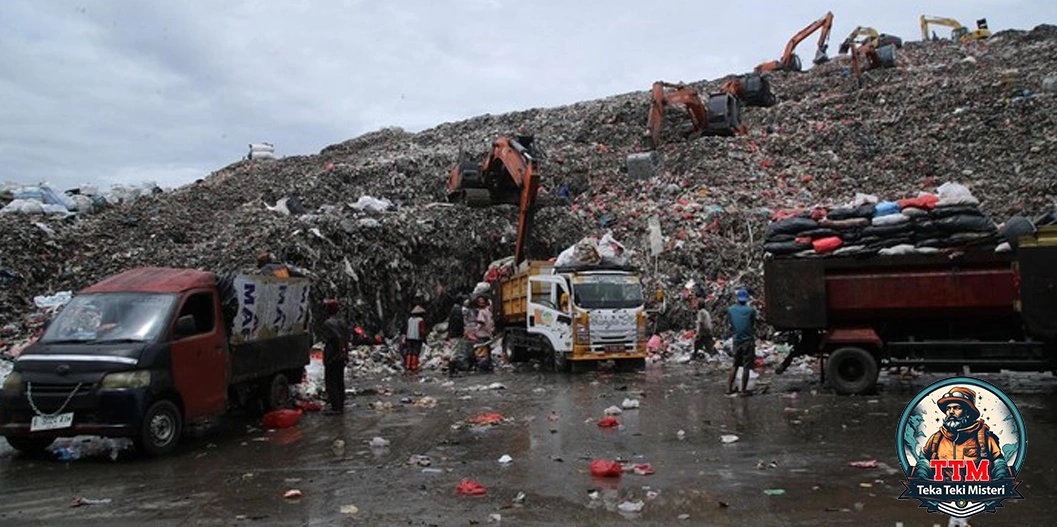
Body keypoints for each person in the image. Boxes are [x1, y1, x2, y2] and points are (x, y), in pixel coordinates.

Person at [914, 386, 1011, 481]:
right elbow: (924, 459)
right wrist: (923, 474)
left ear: (967, 413)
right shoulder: (937, 438)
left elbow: (998, 461)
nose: (951, 412)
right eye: (948, 408)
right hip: (943, 491)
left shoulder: (984, 438)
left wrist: (1000, 477)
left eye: (956, 408)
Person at [726, 289, 757, 396]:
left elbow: (730, 324)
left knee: (735, 364)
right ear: (747, 299)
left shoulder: (730, 310)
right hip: (747, 340)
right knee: (746, 366)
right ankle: (743, 390)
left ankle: (729, 389)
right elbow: (752, 324)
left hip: (737, 340)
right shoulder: (751, 310)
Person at [321, 299, 350, 414]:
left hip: (333, 355)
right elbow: (346, 339)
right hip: (341, 356)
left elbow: (336, 339)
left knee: (331, 382)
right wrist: (345, 353)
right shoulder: (342, 321)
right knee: (339, 381)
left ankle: (336, 408)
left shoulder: (328, 323)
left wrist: (334, 355)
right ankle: (340, 405)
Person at [471, 295, 495, 372]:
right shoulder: (487, 310)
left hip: (483, 334)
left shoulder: (482, 311)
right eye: (479, 301)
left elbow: (481, 322)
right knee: (486, 350)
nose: (481, 303)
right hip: (486, 334)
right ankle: (487, 365)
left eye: (482, 301)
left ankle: (484, 366)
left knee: (482, 351)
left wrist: (475, 330)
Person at [404, 305, 427, 373]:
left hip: (409, 337)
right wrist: (424, 337)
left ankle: (408, 365)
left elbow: (407, 328)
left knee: (409, 351)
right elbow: (422, 330)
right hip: (417, 338)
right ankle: (414, 366)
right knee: (415, 352)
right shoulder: (420, 320)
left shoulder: (409, 319)